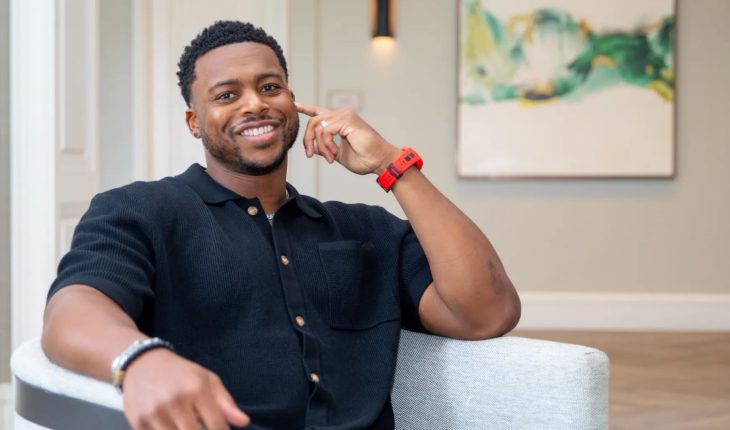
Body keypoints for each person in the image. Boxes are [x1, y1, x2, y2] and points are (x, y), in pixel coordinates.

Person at [41, 20, 520, 430]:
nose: (255, 104)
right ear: (194, 122)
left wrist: (393, 166)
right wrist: (141, 359)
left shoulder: (366, 230)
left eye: (270, 87)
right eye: (227, 95)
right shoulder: (140, 211)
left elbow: (487, 313)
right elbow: (72, 312)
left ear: (293, 101)